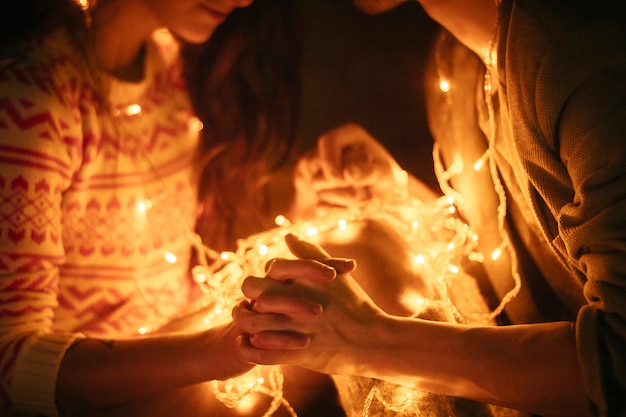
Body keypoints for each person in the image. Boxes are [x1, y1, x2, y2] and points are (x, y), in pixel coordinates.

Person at [233, 0, 626, 416]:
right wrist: (400, 196)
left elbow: (618, 365)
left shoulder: (585, 61)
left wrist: (370, 341)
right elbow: (511, 273)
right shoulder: (455, 62)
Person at [0, 0, 325, 416]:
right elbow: (11, 367)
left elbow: (163, 284)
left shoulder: (167, 62)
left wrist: (303, 222)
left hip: (173, 364)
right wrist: (213, 352)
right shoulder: (31, 104)